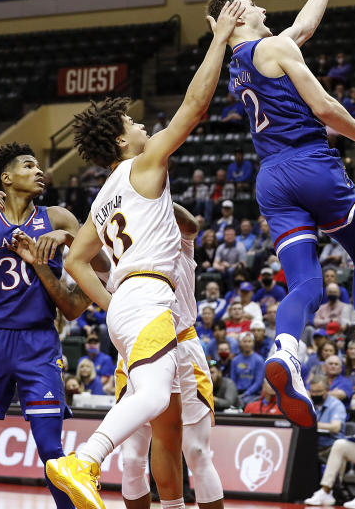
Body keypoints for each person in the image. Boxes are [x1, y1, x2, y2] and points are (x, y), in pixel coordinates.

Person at [46, 0, 244, 509]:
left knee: (163, 415)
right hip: (148, 297)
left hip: (129, 304)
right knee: (155, 401)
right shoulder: (145, 163)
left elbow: (75, 263)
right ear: (121, 138)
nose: (141, 126)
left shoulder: (103, 195)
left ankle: (98, 467)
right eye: (132, 123)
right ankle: (84, 460)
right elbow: (195, 106)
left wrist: (111, 305)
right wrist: (220, 39)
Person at [207, 0, 355, 427]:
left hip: (272, 180)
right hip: (311, 163)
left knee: (306, 285)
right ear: (238, 16)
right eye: (253, 5)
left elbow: (303, 27)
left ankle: (286, 353)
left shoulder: (239, 65)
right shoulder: (274, 48)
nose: (262, 8)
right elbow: (324, 106)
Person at [0, 143, 109, 509]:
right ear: (6, 177)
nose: (40, 172)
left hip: (39, 342)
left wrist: (68, 239)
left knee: (52, 451)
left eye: (40, 167)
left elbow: (102, 265)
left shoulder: (58, 216)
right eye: (30, 166)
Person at [117, 202, 224, 509]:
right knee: (132, 457)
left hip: (183, 346)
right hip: (137, 347)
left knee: (197, 453)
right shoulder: (127, 247)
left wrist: (156, 195)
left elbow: (191, 225)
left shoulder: (179, 240)